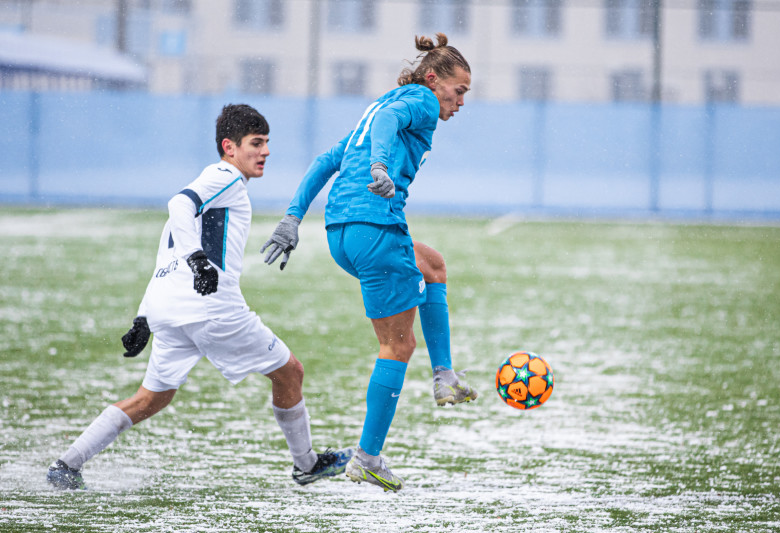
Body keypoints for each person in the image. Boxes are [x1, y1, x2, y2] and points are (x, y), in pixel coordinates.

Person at [46, 104, 353, 490]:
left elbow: (167, 249)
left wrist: (143, 316)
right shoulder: (224, 176)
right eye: (256, 143)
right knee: (290, 371)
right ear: (229, 147)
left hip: (170, 308)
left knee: (150, 399)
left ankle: (66, 465)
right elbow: (178, 204)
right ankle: (306, 464)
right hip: (209, 306)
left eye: (267, 143)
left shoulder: (211, 186)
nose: (266, 152)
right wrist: (198, 261)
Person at [260, 34, 477, 492]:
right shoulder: (417, 100)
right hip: (375, 227)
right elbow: (392, 126)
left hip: (342, 231)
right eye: (459, 91)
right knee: (397, 347)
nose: (460, 103)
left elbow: (326, 160)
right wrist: (380, 166)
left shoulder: (377, 106)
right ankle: (368, 457)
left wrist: (292, 218)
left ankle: (445, 377)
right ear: (434, 79)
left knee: (431, 265)